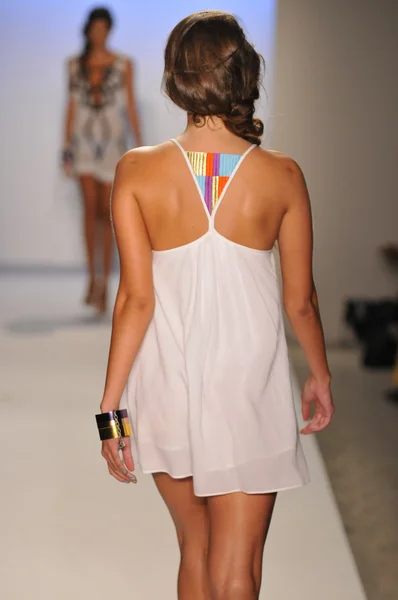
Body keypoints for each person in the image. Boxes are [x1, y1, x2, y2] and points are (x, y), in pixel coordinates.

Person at [97, 10, 334, 600]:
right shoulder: (281, 175)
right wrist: (321, 375)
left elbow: (134, 299)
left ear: (176, 77)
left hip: (164, 381)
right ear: (244, 74)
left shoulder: (136, 170)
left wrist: (111, 412)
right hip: (247, 385)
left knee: (194, 549)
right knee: (238, 567)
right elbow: (299, 301)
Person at [62, 7, 142, 313]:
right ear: (89, 29)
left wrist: (140, 147)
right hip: (83, 144)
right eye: (95, 27)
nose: (99, 33)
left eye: (104, 28)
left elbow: (130, 105)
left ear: (110, 30)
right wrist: (66, 147)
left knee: (107, 215)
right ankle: (92, 278)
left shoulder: (123, 65)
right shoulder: (73, 65)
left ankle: (104, 284)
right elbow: (71, 106)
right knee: (89, 212)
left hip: (112, 145)